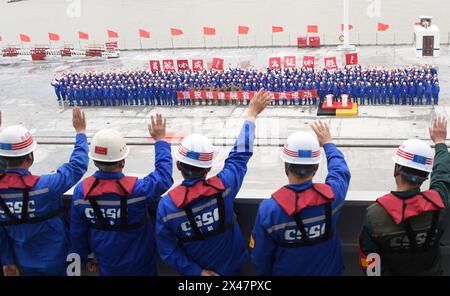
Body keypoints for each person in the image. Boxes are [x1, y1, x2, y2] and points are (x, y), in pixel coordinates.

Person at [156, 90, 271, 276]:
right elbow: (240, 156)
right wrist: (252, 114)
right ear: (208, 168)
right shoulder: (223, 188)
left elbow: (168, 251)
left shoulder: (167, 206)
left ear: (178, 165)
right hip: (232, 269)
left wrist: (198, 272)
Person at [70, 114, 173, 276]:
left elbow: (77, 233)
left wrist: (87, 257)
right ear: (122, 161)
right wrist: (160, 141)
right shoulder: (138, 190)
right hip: (141, 265)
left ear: (95, 161)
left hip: (107, 266)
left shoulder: (82, 193)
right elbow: (164, 176)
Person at [250, 121, 351, 275]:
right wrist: (328, 144)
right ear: (316, 167)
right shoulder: (333, 197)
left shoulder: (269, 210)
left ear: (286, 166)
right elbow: (340, 171)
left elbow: (260, 258)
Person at [0, 108, 89, 276]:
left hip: (24, 262)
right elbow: (77, 166)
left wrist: (7, 261)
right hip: (59, 260)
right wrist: (80, 133)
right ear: (30, 157)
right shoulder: (46, 186)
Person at [359, 116, 450, 276]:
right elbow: (442, 176)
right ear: (425, 176)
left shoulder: (374, 215)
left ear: (397, 169)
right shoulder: (439, 204)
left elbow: (370, 261)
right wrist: (440, 143)